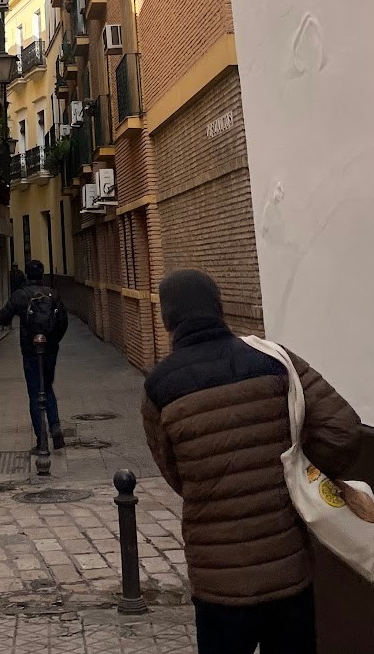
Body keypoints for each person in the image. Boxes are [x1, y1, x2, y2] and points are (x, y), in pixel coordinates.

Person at [141, 270, 362, 654]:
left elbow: (175, 473)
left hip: (217, 581)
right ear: (219, 307)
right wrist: (300, 471)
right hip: (287, 569)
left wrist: (212, 483)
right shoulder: (274, 360)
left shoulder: (158, 387)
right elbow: (343, 430)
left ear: (167, 320)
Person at [0, 258, 68, 449]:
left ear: (27, 274)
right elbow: (63, 322)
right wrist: (53, 341)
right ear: (42, 274)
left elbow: (4, 316)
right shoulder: (53, 294)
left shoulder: (21, 295)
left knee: (35, 393)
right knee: (48, 388)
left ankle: (41, 440)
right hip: (50, 351)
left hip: (30, 351)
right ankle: (55, 427)